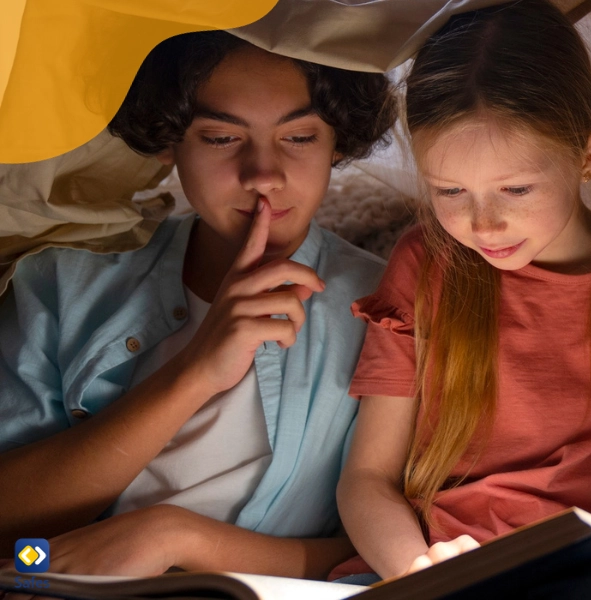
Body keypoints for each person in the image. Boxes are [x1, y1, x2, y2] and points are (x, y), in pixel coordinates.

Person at [331, 0, 591, 596]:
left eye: (516, 188)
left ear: (588, 157)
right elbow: (366, 479)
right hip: (439, 569)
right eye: (449, 190)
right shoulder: (427, 263)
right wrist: (419, 570)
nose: (484, 223)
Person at [0, 30, 397, 578]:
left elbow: (399, 560)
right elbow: (15, 546)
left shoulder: (392, 309)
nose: (265, 174)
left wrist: (172, 538)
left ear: (338, 141)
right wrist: (195, 372)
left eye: (300, 136)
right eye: (220, 138)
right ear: (170, 140)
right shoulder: (62, 277)